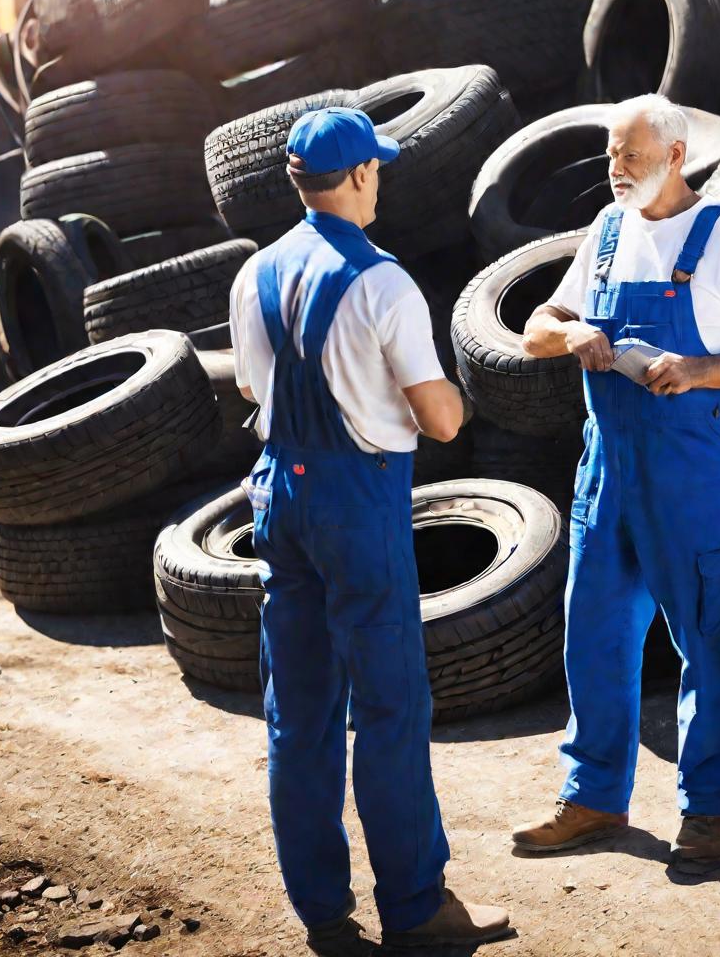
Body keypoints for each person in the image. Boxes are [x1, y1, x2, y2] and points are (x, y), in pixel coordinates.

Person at [229, 107, 510, 950]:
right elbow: (440, 420)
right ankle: (418, 909)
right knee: (390, 705)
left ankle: (321, 906)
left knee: (300, 708)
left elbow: (252, 389)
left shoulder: (256, 275)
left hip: (283, 491)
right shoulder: (384, 281)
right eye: (376, 169)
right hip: (358, 496)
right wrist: (454, 398)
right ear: (355, 178)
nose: (380, 179)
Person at [511, 94, 720, 874]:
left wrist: (700, 369)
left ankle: (708, 814)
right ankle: (594, 796)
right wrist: (571, 331)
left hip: (689, 477)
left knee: (704, 643)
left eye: (629, 155)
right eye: (609, 156)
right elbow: (535, 327)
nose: (615, 170)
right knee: (594, 639)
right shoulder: (604, 236)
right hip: (606, 475)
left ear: (675, 154)